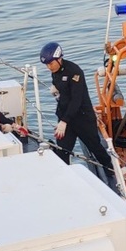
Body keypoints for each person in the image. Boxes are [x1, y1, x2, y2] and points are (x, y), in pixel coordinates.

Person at [39, 41, 114, 179]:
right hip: (66, 118)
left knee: (95, 147)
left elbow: (76, 100)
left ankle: (112, 173)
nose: (49, 67)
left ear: (59, 59)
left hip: (82, 118)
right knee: (63, 150)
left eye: (51, 63)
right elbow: (64, 95)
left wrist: (64, 121)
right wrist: (57, 93)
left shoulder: (75, 71)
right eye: (47, 65)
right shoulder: (55, 72)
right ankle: (64, 177)